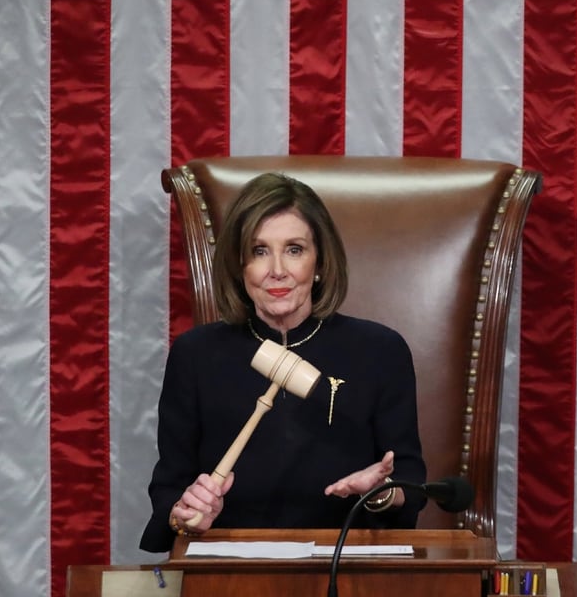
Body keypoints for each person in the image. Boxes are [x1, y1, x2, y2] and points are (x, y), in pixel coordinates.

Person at [140, 172, 426, 553]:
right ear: (239, 267)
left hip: (345, 565)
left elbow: (409, 481)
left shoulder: (381, 351)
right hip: (228, 568)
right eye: (259, 251)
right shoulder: (196, 354)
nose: (277, 269)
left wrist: (379, 494)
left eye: (294, 249)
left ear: (320, 262)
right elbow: (170, 489)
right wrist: (186, 514)